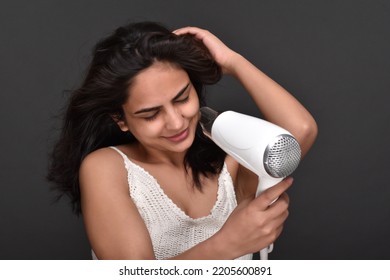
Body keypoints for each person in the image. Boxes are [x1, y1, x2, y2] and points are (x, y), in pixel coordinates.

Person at [47, 21, 317, 260]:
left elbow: (300, 130)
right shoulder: (107, 168)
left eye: (182, 98)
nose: (176, 122)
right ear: (122, 120)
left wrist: (233, 61)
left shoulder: (231, 162)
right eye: (151, 114)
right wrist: (227, 245)